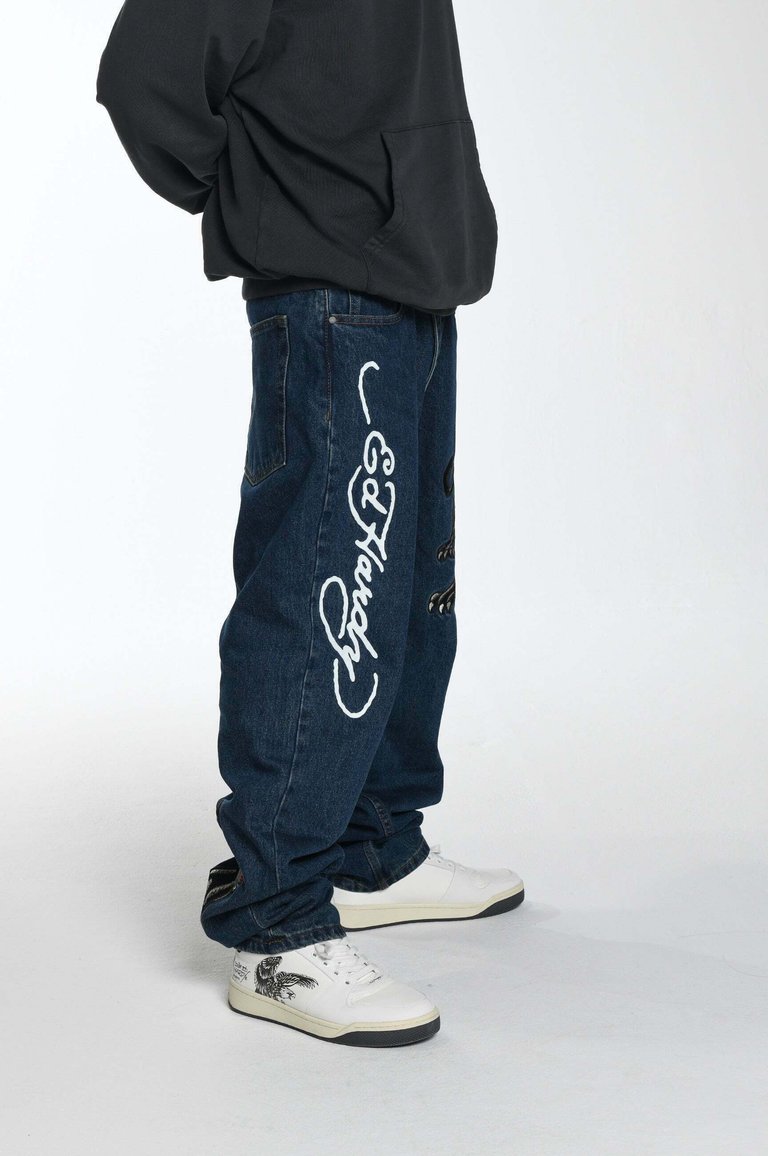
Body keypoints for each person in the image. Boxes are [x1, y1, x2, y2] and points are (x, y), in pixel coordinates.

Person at [96, 0, 524, 1048]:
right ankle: (276, 926)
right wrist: (273, 197)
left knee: (409, 593)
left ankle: (372, 850)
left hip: (417, 268)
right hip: (332, 285)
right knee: (329, 592)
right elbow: (143, 77)